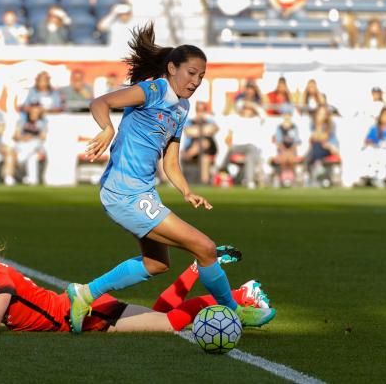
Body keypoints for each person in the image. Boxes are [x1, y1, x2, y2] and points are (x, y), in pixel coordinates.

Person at [66, 23, 276, 334]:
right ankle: (235, 313)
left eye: (201, 77)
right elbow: (101, 102)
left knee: (156, 264)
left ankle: (84, 294)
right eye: (191, 73)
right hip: (125, 193)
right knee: (205, 247)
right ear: (172, 68)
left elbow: (171, 162)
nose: (196, 81)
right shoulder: (154, 90)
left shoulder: (182, 107)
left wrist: (187, 191)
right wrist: (107, 129)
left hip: (142, 193)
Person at [0, 225, 271, 335]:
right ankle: (198, 267)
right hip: (85, 307)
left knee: (169, 324)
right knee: (159, 314)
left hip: (83, 316)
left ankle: (240, 297)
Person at [181, 101, 218, 185]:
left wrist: (197, 130)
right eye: (198, 110)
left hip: (208, 147)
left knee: (204, 141)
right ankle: (204, 181)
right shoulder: (189, 121)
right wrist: (204, 130)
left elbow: (213, 129)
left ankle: (188, 155)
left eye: (202, 110)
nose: (200, 113)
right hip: (194, 147)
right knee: (204, 153)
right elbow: (188, 132)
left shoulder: (210, 120)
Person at [14, 102, 48, 185]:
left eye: (37, 110)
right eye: (33, 110)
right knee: (32, 157)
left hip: (36, 145)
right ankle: (32, 180)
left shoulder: (42, 121)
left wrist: (31, 137)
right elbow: (16, 136)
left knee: (34, 145)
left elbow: (43, 137)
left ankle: (21, 161)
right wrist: (24, 138)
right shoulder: (23, 120)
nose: (35, 113)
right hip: (23, 144)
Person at [307, 105, 338, 185]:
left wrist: (318, 135)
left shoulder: (330, 125)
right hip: (316, 149)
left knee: (316, 145)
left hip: (328, 148)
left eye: (323, 114)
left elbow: (323, 138)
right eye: (320, 113)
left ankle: (316, 172)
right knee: (316, 146)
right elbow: (313, 138)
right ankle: (318, 171)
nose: (321, 116)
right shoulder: (312, 124)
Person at [274, 110, 300, 186]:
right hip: (282, 150)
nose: (287, 117)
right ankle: (282, 179)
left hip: (292, 150)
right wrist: (284, 151)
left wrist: (291, 151)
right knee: (283, 159)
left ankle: (293, 179)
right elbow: (279, 141)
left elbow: (295, 141)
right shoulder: (279, 127)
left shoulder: (294, 127)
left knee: (291, 159)